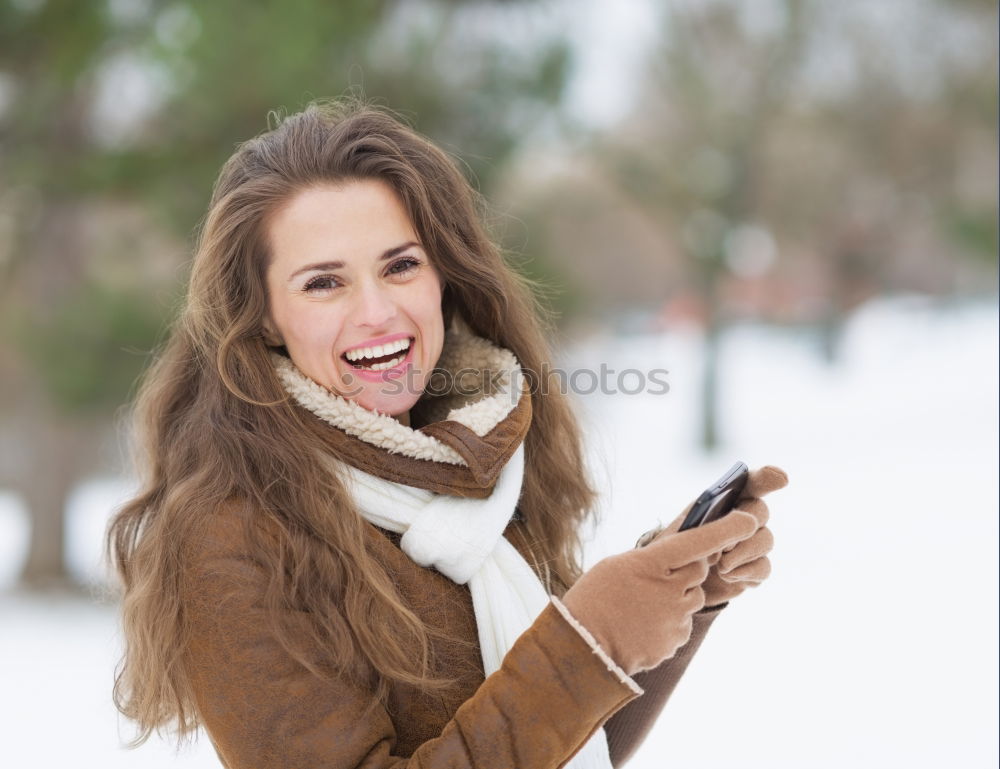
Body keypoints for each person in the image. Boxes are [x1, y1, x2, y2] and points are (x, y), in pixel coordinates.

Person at [107, 101, 788, 769]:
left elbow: (568, 743)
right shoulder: (234, 530)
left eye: (400, 265)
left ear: (443, 277)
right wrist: (589, 636)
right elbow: (553, 691)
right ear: (263, 318)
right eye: (323, 283)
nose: (377, 312)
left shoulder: (476, 466)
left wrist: (678, 595)